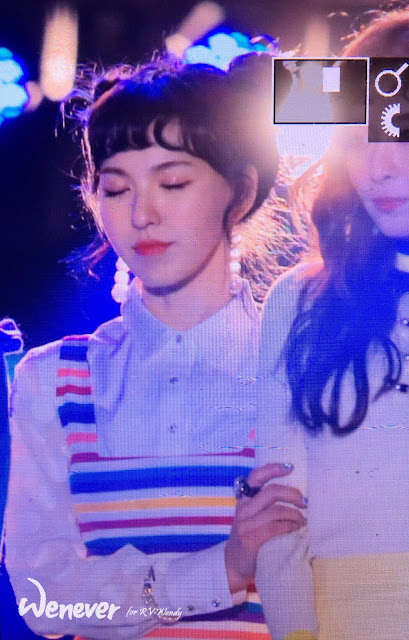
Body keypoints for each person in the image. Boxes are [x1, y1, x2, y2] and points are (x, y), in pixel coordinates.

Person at [5, 52, 307, 640]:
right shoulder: (54, 379)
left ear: (241, 191)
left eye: (173, 183)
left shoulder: (297, 368)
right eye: (116, 189)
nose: (143, 214)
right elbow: (45, 602)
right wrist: (222, 568)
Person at [255, 10, 409, 640]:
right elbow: (277, 512)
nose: (379, 168)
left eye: (401, 133)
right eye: (357, 139)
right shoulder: (301, 298)